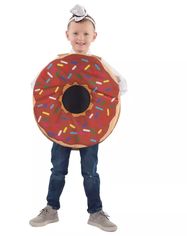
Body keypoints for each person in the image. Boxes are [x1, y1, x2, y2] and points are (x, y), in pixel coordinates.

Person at [29, 4, 127, 232]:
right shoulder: (60, 62)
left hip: (89, 128)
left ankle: (95, 212)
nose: (80, 38)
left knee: (90, 172)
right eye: (75, 33)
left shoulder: (100, 64)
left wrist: (112, 79)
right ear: (67, 35)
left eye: (85, 34)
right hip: (60, 125)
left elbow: (121, 85)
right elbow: (39, 84)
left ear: (94, 36)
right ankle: (51, 209)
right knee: (57, 170)